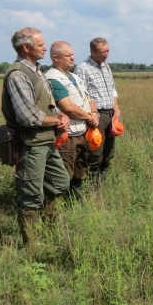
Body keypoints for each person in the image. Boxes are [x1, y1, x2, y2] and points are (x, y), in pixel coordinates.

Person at [1, 28, 70, 247]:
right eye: (40, 44)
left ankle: (50, 232)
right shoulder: (18, 74)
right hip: (30, 144)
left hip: (45, 141)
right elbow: (28, 116)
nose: (44, 47)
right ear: (26, 47)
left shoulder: (37, 70)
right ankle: (32, 245)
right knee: (31, 195)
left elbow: (46, 106)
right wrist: (58, 121)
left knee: (60, 183)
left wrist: (59, 115)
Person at [45, 41, 100, 201]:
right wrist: (90, 117)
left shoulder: (74, 77)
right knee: (64, 174)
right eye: (68, 55)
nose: (72, 58)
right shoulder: (53, 79)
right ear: (55, 58)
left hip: (82, 133)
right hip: (67, 136)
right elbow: (67, 107)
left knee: (80, 170)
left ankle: (76, 203)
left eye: (73, 54)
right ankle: (57, 209)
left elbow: (88, 98)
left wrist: (95, 112)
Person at [74, 37, 121, 176]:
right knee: (95, 150)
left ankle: (103, 180)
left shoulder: (106, 66)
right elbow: (82, 96)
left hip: (110, 114)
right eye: (103, 52)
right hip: (96, 115)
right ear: (92, 52)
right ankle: (92, 184)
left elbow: (112, 89)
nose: (106, 54)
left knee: (108, 150)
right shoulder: (83, 69)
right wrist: (91, 116)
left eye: (108, 51)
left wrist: (116, 107)